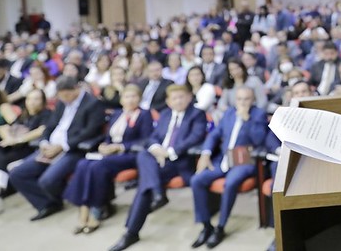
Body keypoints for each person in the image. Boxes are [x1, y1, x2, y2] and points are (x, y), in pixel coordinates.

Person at [108, 84, 207, 251]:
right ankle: (156, 193)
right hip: (158, 161)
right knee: (144, 155)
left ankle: (131, 232)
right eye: (174, 98)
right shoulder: (165, 114)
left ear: (189, 97)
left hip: (179, 161)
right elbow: (152, 138)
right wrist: (157, 150)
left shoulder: (197, 114)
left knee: (144, 185)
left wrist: (168, 152)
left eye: (181, 97)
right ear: (168, 101)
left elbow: (195, 137)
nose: (178, 101)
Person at [9, 75, 105, 221]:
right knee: (17, 174)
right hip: (50, 148)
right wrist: (44, 143)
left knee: (47, 181)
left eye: (66, 95)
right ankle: (47, 203)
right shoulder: (61, 103)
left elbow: (90, 131)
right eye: (61, 96)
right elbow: (50, 125)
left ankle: (64, 197)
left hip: (73, 149)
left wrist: (62, 146)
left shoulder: (92, 104)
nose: (64, 99)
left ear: (75, 89)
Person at [63, 84, 153, 234]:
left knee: (97, 167)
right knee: (83, 164)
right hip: (110, 153)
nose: (130, 100)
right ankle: (83, 209)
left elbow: (146, 140)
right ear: (121, 99)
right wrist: (104, 145)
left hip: (129, 154)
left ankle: (96, 211)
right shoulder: (117, 114)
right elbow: (109, 137)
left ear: (139, 98)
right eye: (127, 96)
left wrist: (120, 147)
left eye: (133, 96)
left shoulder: (144, 115)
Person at [190, 86, 268, 248]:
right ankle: (206, 226)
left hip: (245, 160)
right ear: (235, 100)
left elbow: (260, 140)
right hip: (224, 159)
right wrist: (206, 153)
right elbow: (214, 134)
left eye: (247, 99)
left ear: (253, 100)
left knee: (230, 183)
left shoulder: (258, 114)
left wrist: (247, 119)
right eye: (239, 99)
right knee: (197, 180)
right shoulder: (229, 113)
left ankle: (220, 227)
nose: (243, 102)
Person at [0, 88, 51, 216]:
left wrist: (18, 139)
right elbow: (6, 127)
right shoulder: (24, 115)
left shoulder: (46, 114)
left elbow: (42, 130)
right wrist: (8, 138)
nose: (32, 102)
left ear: (43, 101)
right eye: (29, 99)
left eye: (36, 99)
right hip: (14, 146)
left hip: (29, 148)